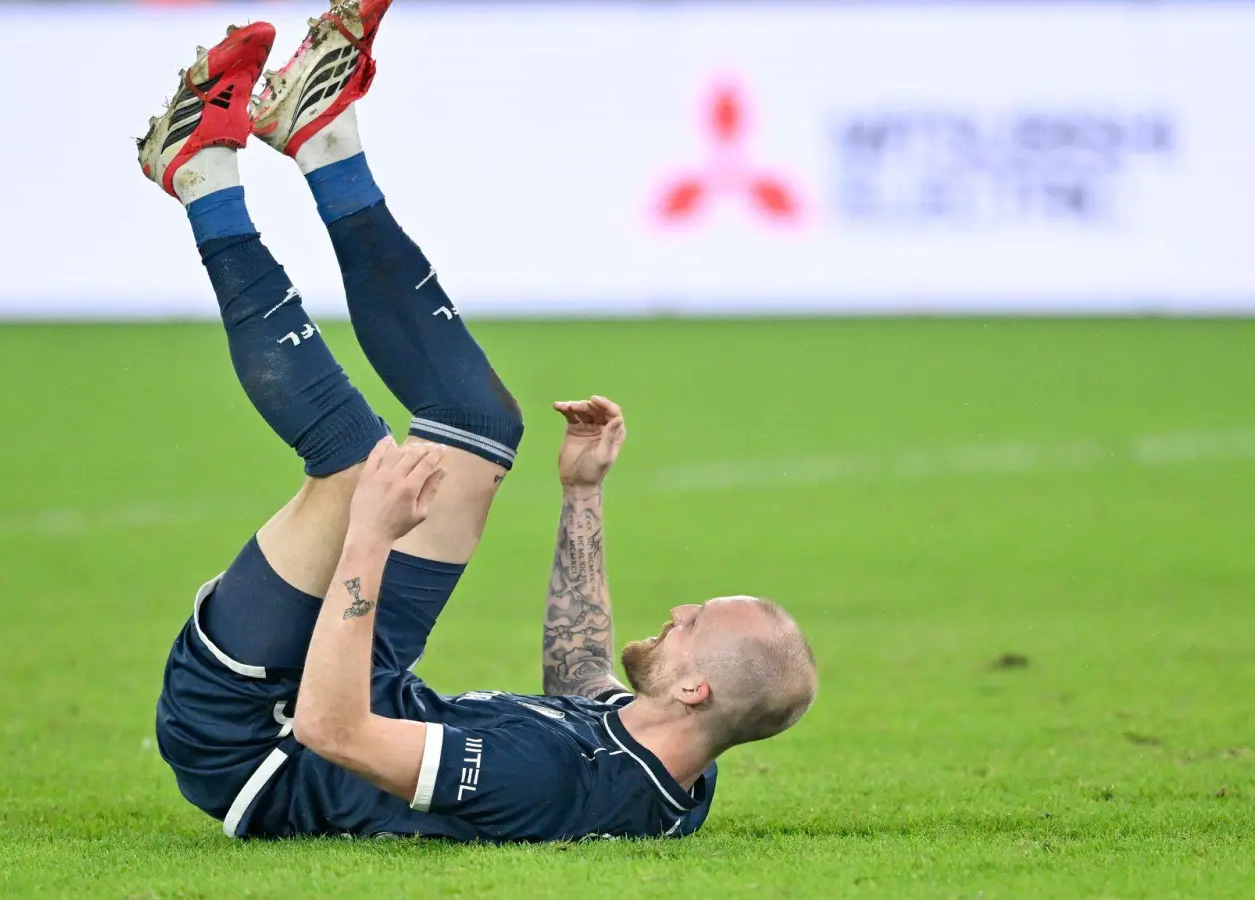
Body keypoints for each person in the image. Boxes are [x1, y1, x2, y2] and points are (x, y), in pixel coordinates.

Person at [137, 0, 818, 842]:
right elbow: (576, 675)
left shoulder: (548, 778)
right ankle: (321, 136)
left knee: (357, 467)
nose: (678, 611)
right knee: (477, 421)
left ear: (695, 689)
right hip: (364, 682)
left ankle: (198, 176)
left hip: (255, 735)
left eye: (695, 624)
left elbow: (330, 732)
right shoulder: (677, 770)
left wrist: (370, 536)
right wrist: (581, 494)